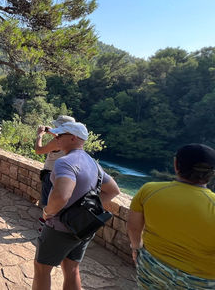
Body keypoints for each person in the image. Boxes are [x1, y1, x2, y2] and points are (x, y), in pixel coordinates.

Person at [32, 122, 120, 290]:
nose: (56, 138)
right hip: (83, 227)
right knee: (71, 269)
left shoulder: (64, 162)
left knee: (42, 269)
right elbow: (113, 190)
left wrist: (47, 212)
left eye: (59, 136)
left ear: (73, 138)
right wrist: (85, 207)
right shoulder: (93, 163)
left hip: (60, 228)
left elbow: (61, 196)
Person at [127, 143, 215, 289]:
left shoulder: (149, 190)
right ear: (211, 173)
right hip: (199, 280)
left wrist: (136, 249)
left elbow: (133, 227)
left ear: (176, 164)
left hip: (152, 267)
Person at [35, 115, 76, 207]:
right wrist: (53, 132)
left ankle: (45, 220)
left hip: (51, 174)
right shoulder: (74, 140)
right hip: (64, 175)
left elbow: (39, 150)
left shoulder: (57, 142)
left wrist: (39, 135)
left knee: (46, 204)